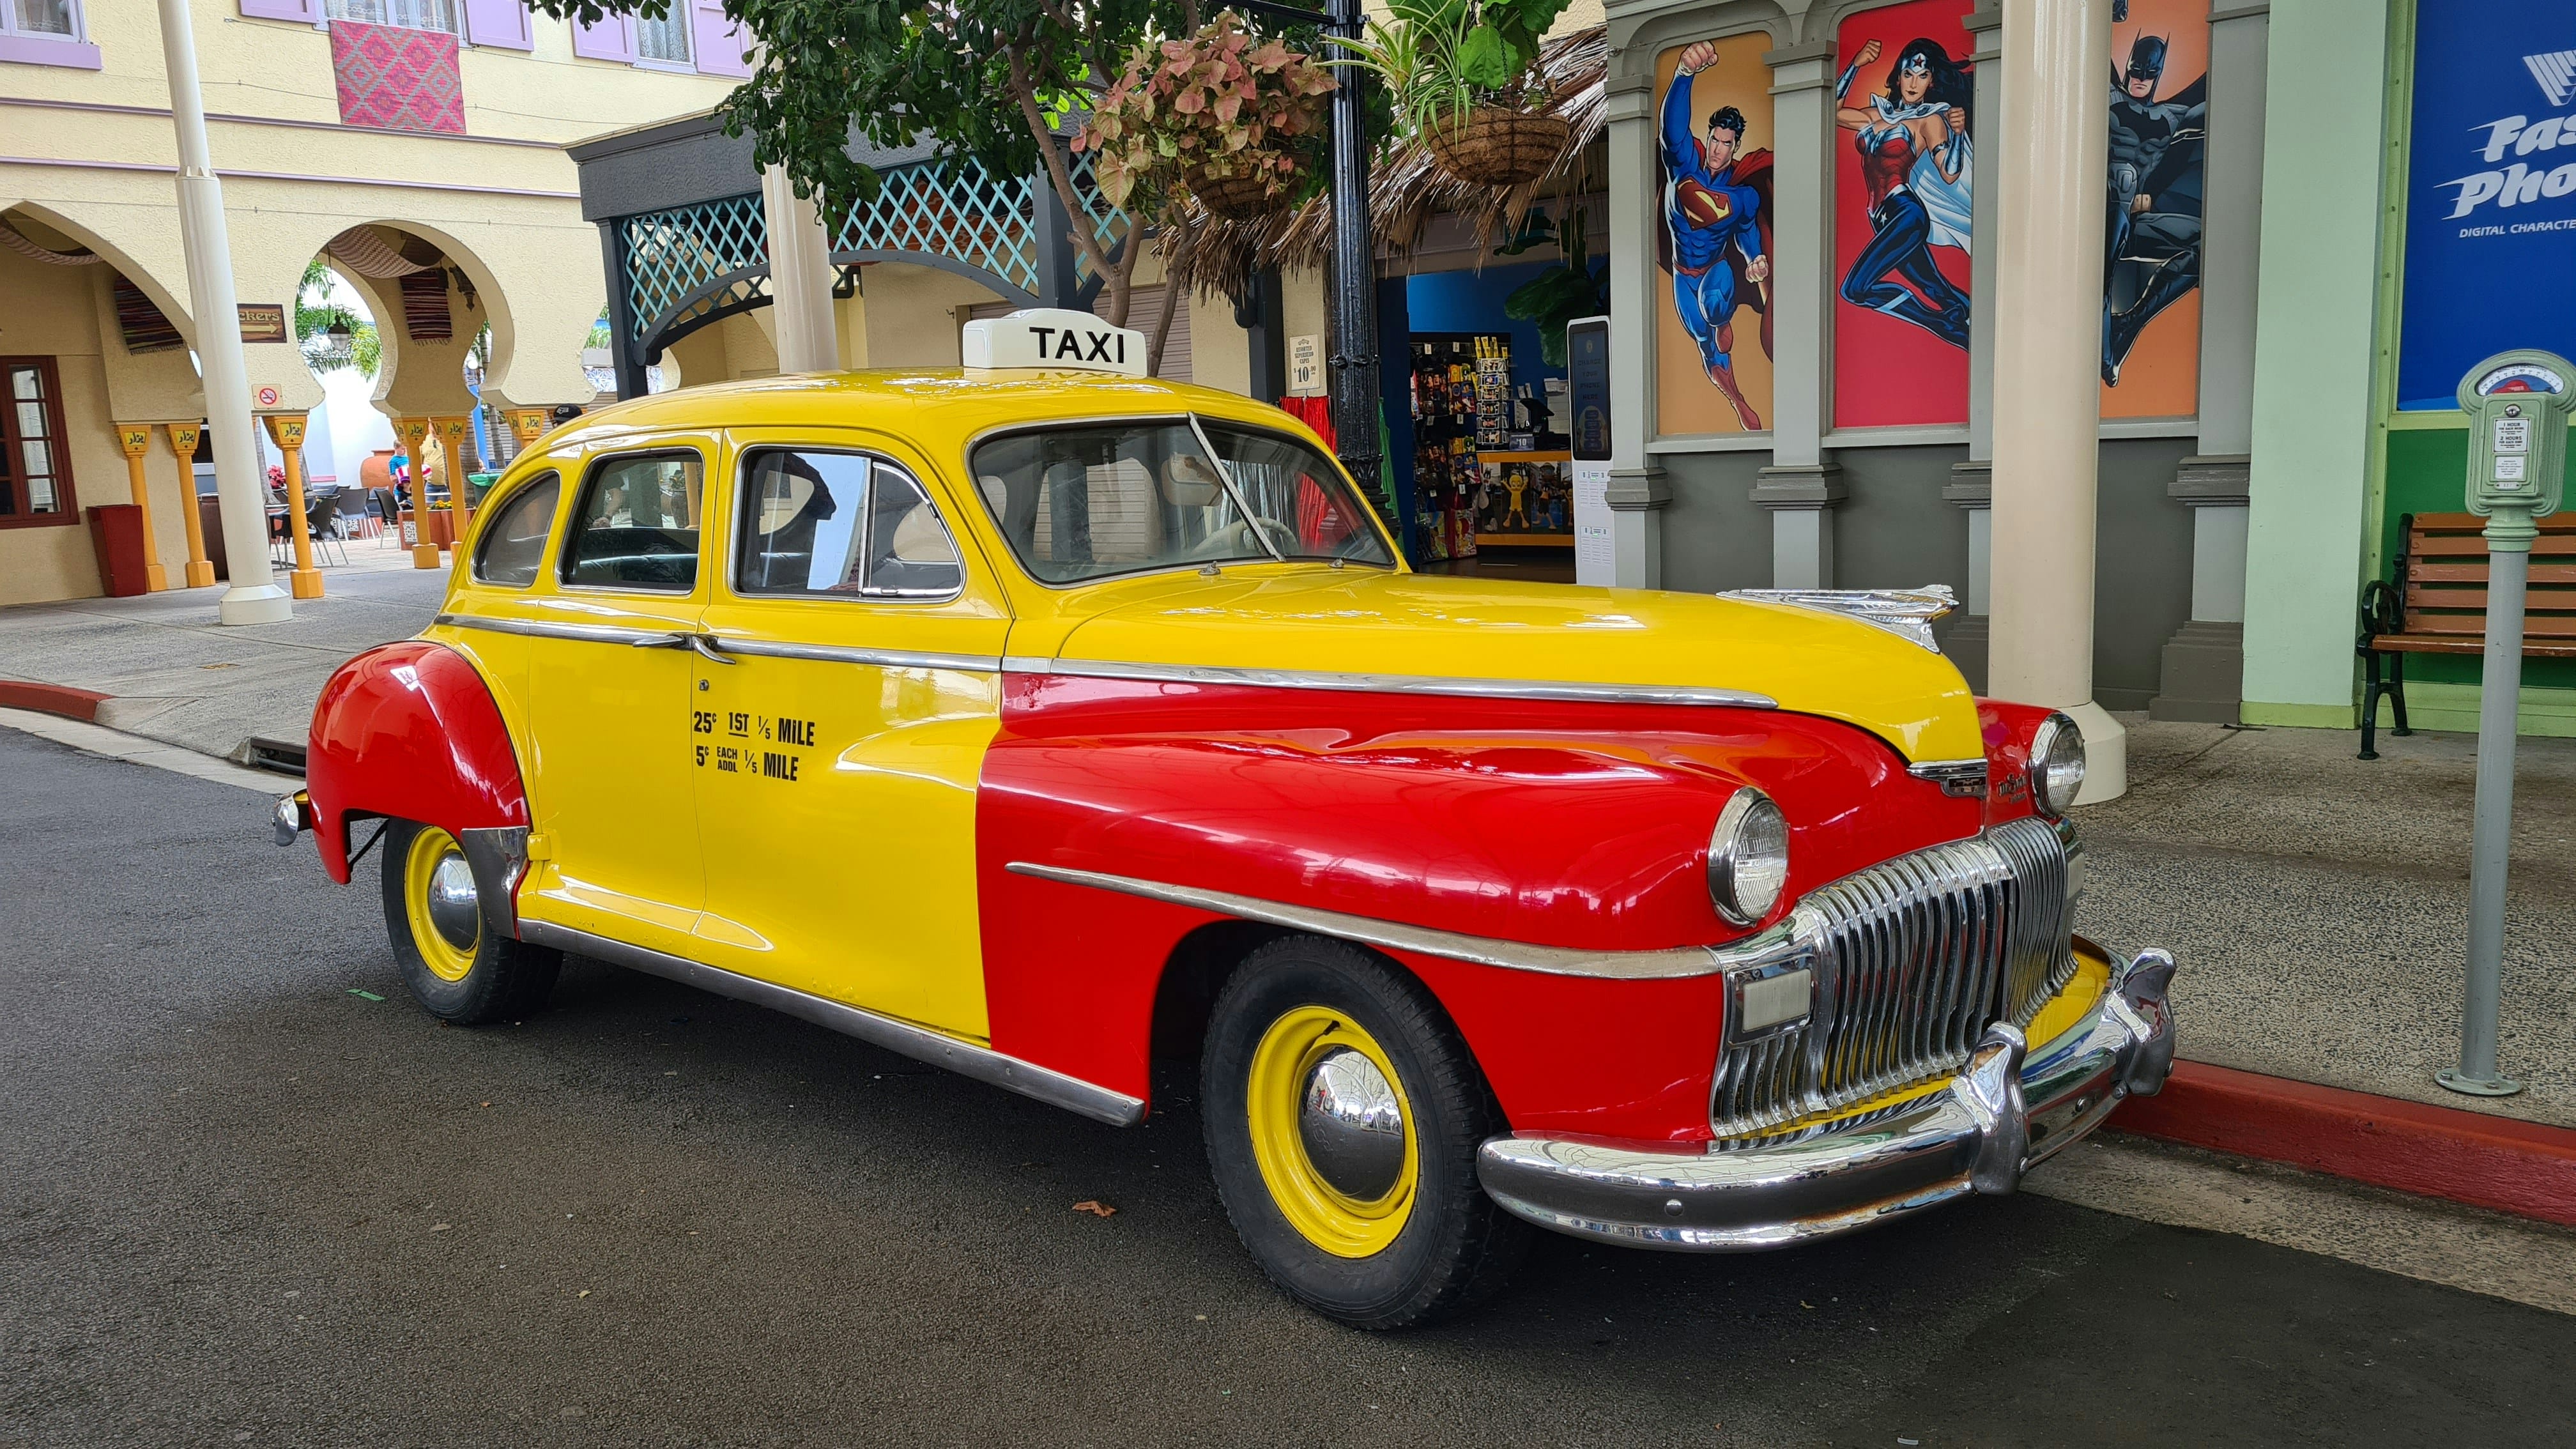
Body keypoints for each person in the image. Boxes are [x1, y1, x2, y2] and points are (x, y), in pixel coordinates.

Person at [1834, 37, 1974, 350]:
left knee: (1855, 290)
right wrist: (1855, 66)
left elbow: (1949, 174)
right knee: (1938, 289)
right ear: (1898, 77)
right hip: (1880, 220)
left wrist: (1957, 135)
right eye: (1909, 74)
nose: (1914, 83)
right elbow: (1830, 110)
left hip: (1906, 213)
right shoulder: (1875, 115)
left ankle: (1938, 323)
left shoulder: (1929, 120)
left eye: (1922, 76)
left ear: (1931, 81)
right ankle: (1970, 327)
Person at [1661, 42, 1772, 430]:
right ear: (1708, 137)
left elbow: (1746, 232)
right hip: (1682, 274)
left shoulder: (1742, 192)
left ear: (1735, 146)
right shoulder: (1687, 164)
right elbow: (1672, 131)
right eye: (1714, 139)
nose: (1718, 149)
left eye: (1726, 143)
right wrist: (1684, 76)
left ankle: (1722, 320)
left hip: (1715, 271)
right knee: (1707, 349)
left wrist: (1756, 258)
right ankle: (1737, 399)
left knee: (1713, 309)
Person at [2102, 32, 2207, 385]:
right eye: (2135, 71)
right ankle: (2103, 346)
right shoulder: (2108, 96)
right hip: (2098, 215)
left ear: (2159, 74)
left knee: (2205, 244)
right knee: (2123, 175)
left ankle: (2129, 323)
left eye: (2148, 73)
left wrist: (2153, 191)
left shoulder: (2177, 116)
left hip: (2136, 220)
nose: (2140, 79)